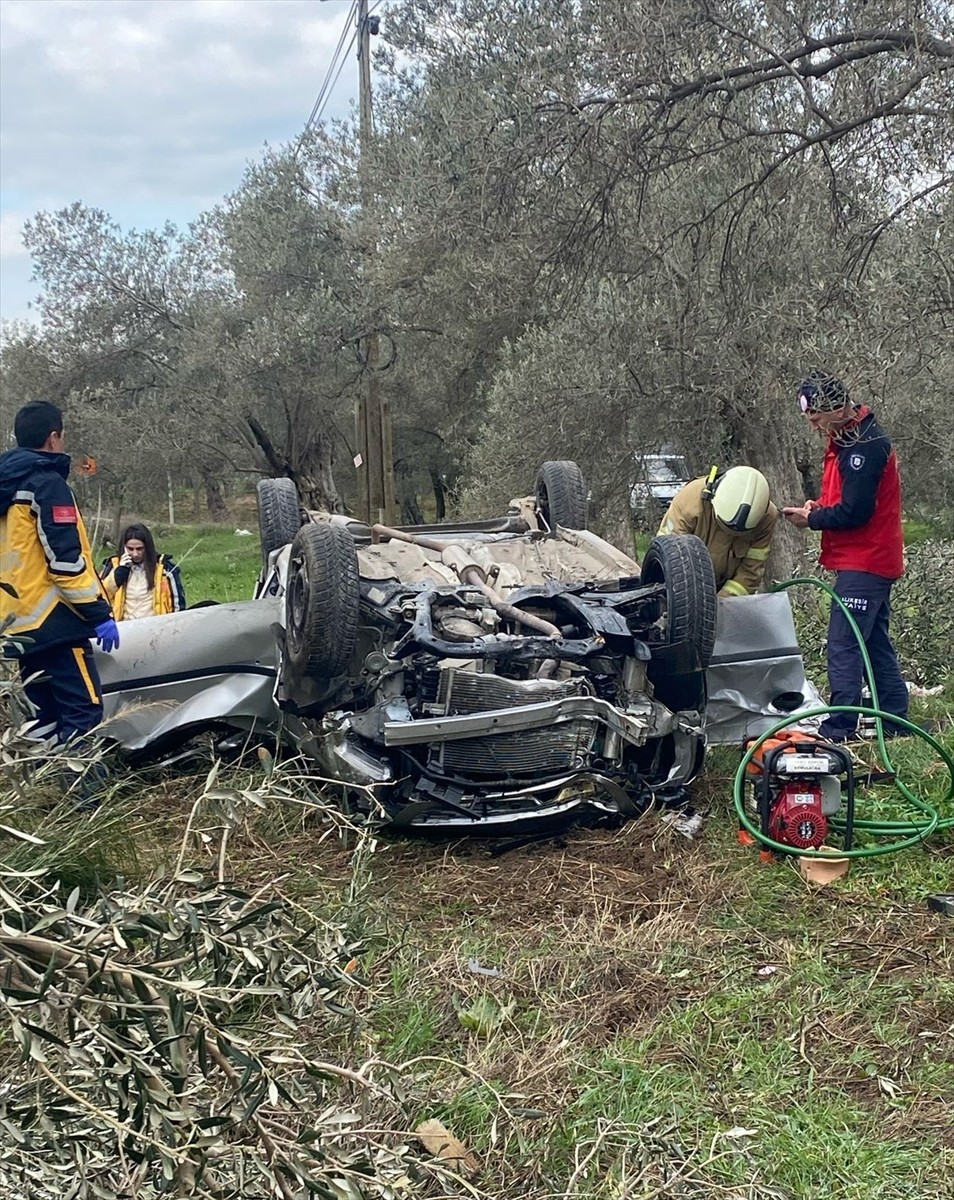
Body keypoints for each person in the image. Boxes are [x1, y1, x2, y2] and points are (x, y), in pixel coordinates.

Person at [782, 371, 908, 741]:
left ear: (836, 408)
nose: (812, 422)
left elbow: (857, 512)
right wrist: (820, 506)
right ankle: (896, 719)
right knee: (873, 641)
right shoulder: (847, 437)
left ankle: (839, 727)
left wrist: (813, 519)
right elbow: (849, 499)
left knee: (844, 642)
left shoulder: (864, 446)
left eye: (816, 415)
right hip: (868, 558)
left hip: (866, 561)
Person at [0, 401, 120, 742]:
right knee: (84, 713)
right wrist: (98, 612)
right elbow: (65, 563)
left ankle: (49, 789)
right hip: (57, 622)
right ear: (54, 438)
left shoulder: (7, 487)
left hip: (18, 627)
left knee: (43, 718)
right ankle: (87, 796)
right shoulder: (47, 485)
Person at [658, 465, 778, 596]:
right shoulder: (690, 500)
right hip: (679, 588)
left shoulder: (767, 517)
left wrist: (723, 603)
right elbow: (670, 557)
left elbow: (750, 572)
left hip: (725, 592)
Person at [100, 523, 185, 619]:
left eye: (139, 549)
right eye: (130, 549)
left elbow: (177, 604)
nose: (135, 554)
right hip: (124, 628)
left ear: (147, 547)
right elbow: (100, 598)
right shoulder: (112, 566)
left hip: (156, 628)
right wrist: (118, 574)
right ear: (124, 547)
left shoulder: (164, 569)